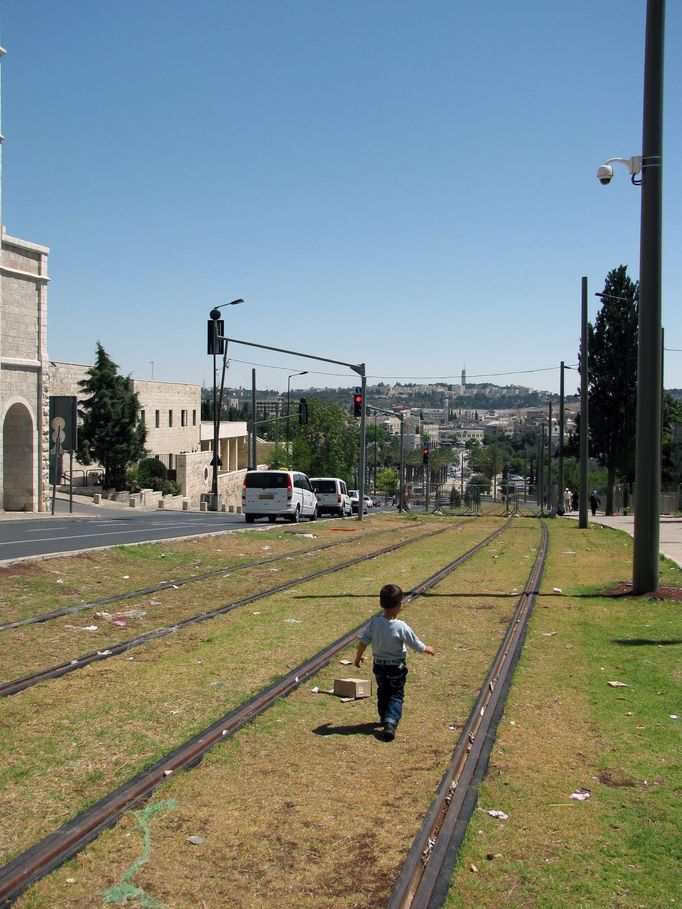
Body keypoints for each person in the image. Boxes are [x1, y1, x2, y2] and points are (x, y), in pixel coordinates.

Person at [354, 583, 435, 742]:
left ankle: (384, 716)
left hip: (379, 666)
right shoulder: (401, 626)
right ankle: (390, 722)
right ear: (400, 605)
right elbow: (415, 643)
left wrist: (358, 657)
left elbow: (364, 641)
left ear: (381, 603)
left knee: (383, 691)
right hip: (396, 667)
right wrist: (427, 649)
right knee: (396, 694)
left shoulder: (374, 622)